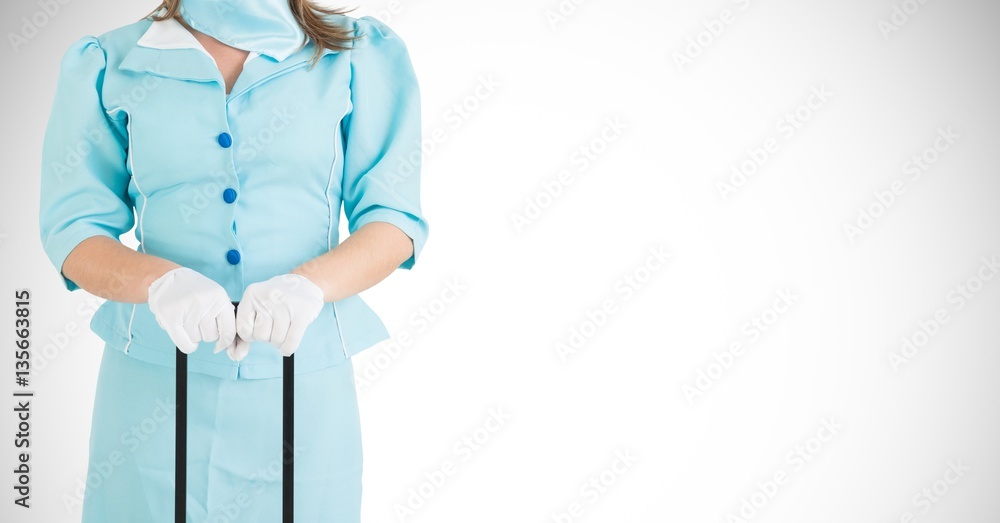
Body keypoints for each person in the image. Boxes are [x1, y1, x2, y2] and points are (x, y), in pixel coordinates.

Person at [37, 0, 428, 520]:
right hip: (154, 392)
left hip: (303, 385)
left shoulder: (356, 56)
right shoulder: (110, 62)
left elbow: (394, 220)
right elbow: (73, 229)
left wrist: (307, 286)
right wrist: (161, 282)